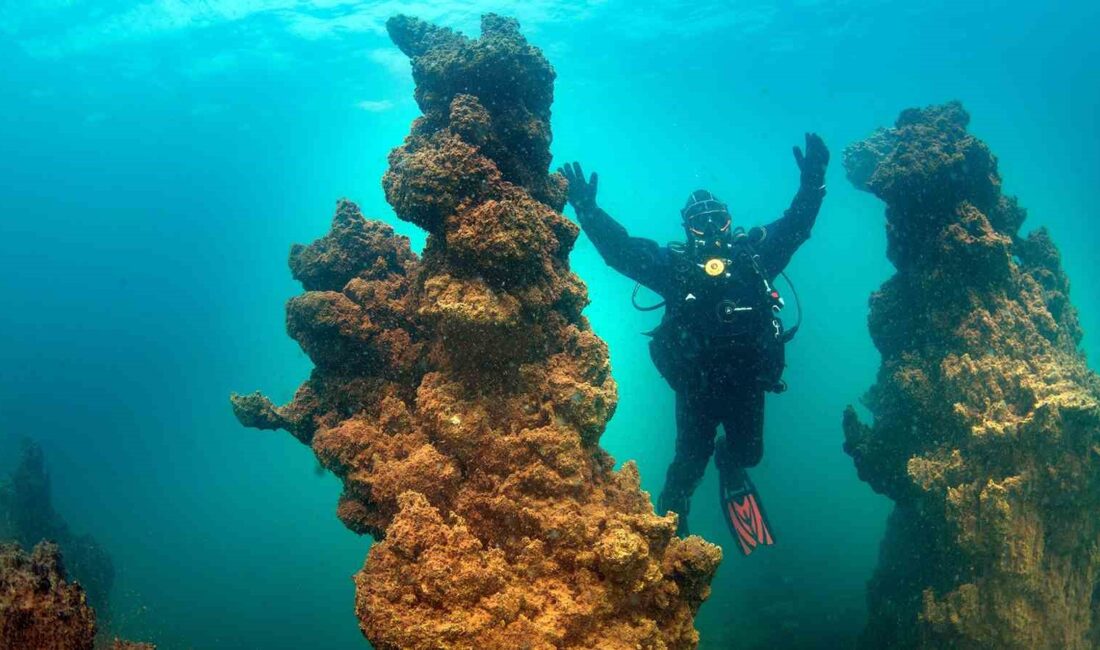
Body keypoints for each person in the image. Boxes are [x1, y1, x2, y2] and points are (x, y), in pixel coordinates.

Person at [559, 134, 829, 555]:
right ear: (687, 227)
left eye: (717, 219)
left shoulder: (754, 260)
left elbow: (796, 227)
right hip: (697, 389)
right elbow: (621, 252)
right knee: (686, 465)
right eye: (699, 222)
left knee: (748, 455)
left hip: (746, 384)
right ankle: (669, 522)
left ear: (729, 221)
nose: (710, 229)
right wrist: (588, 210)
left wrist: (813, 185)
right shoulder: (675, 269)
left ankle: (729, 462)